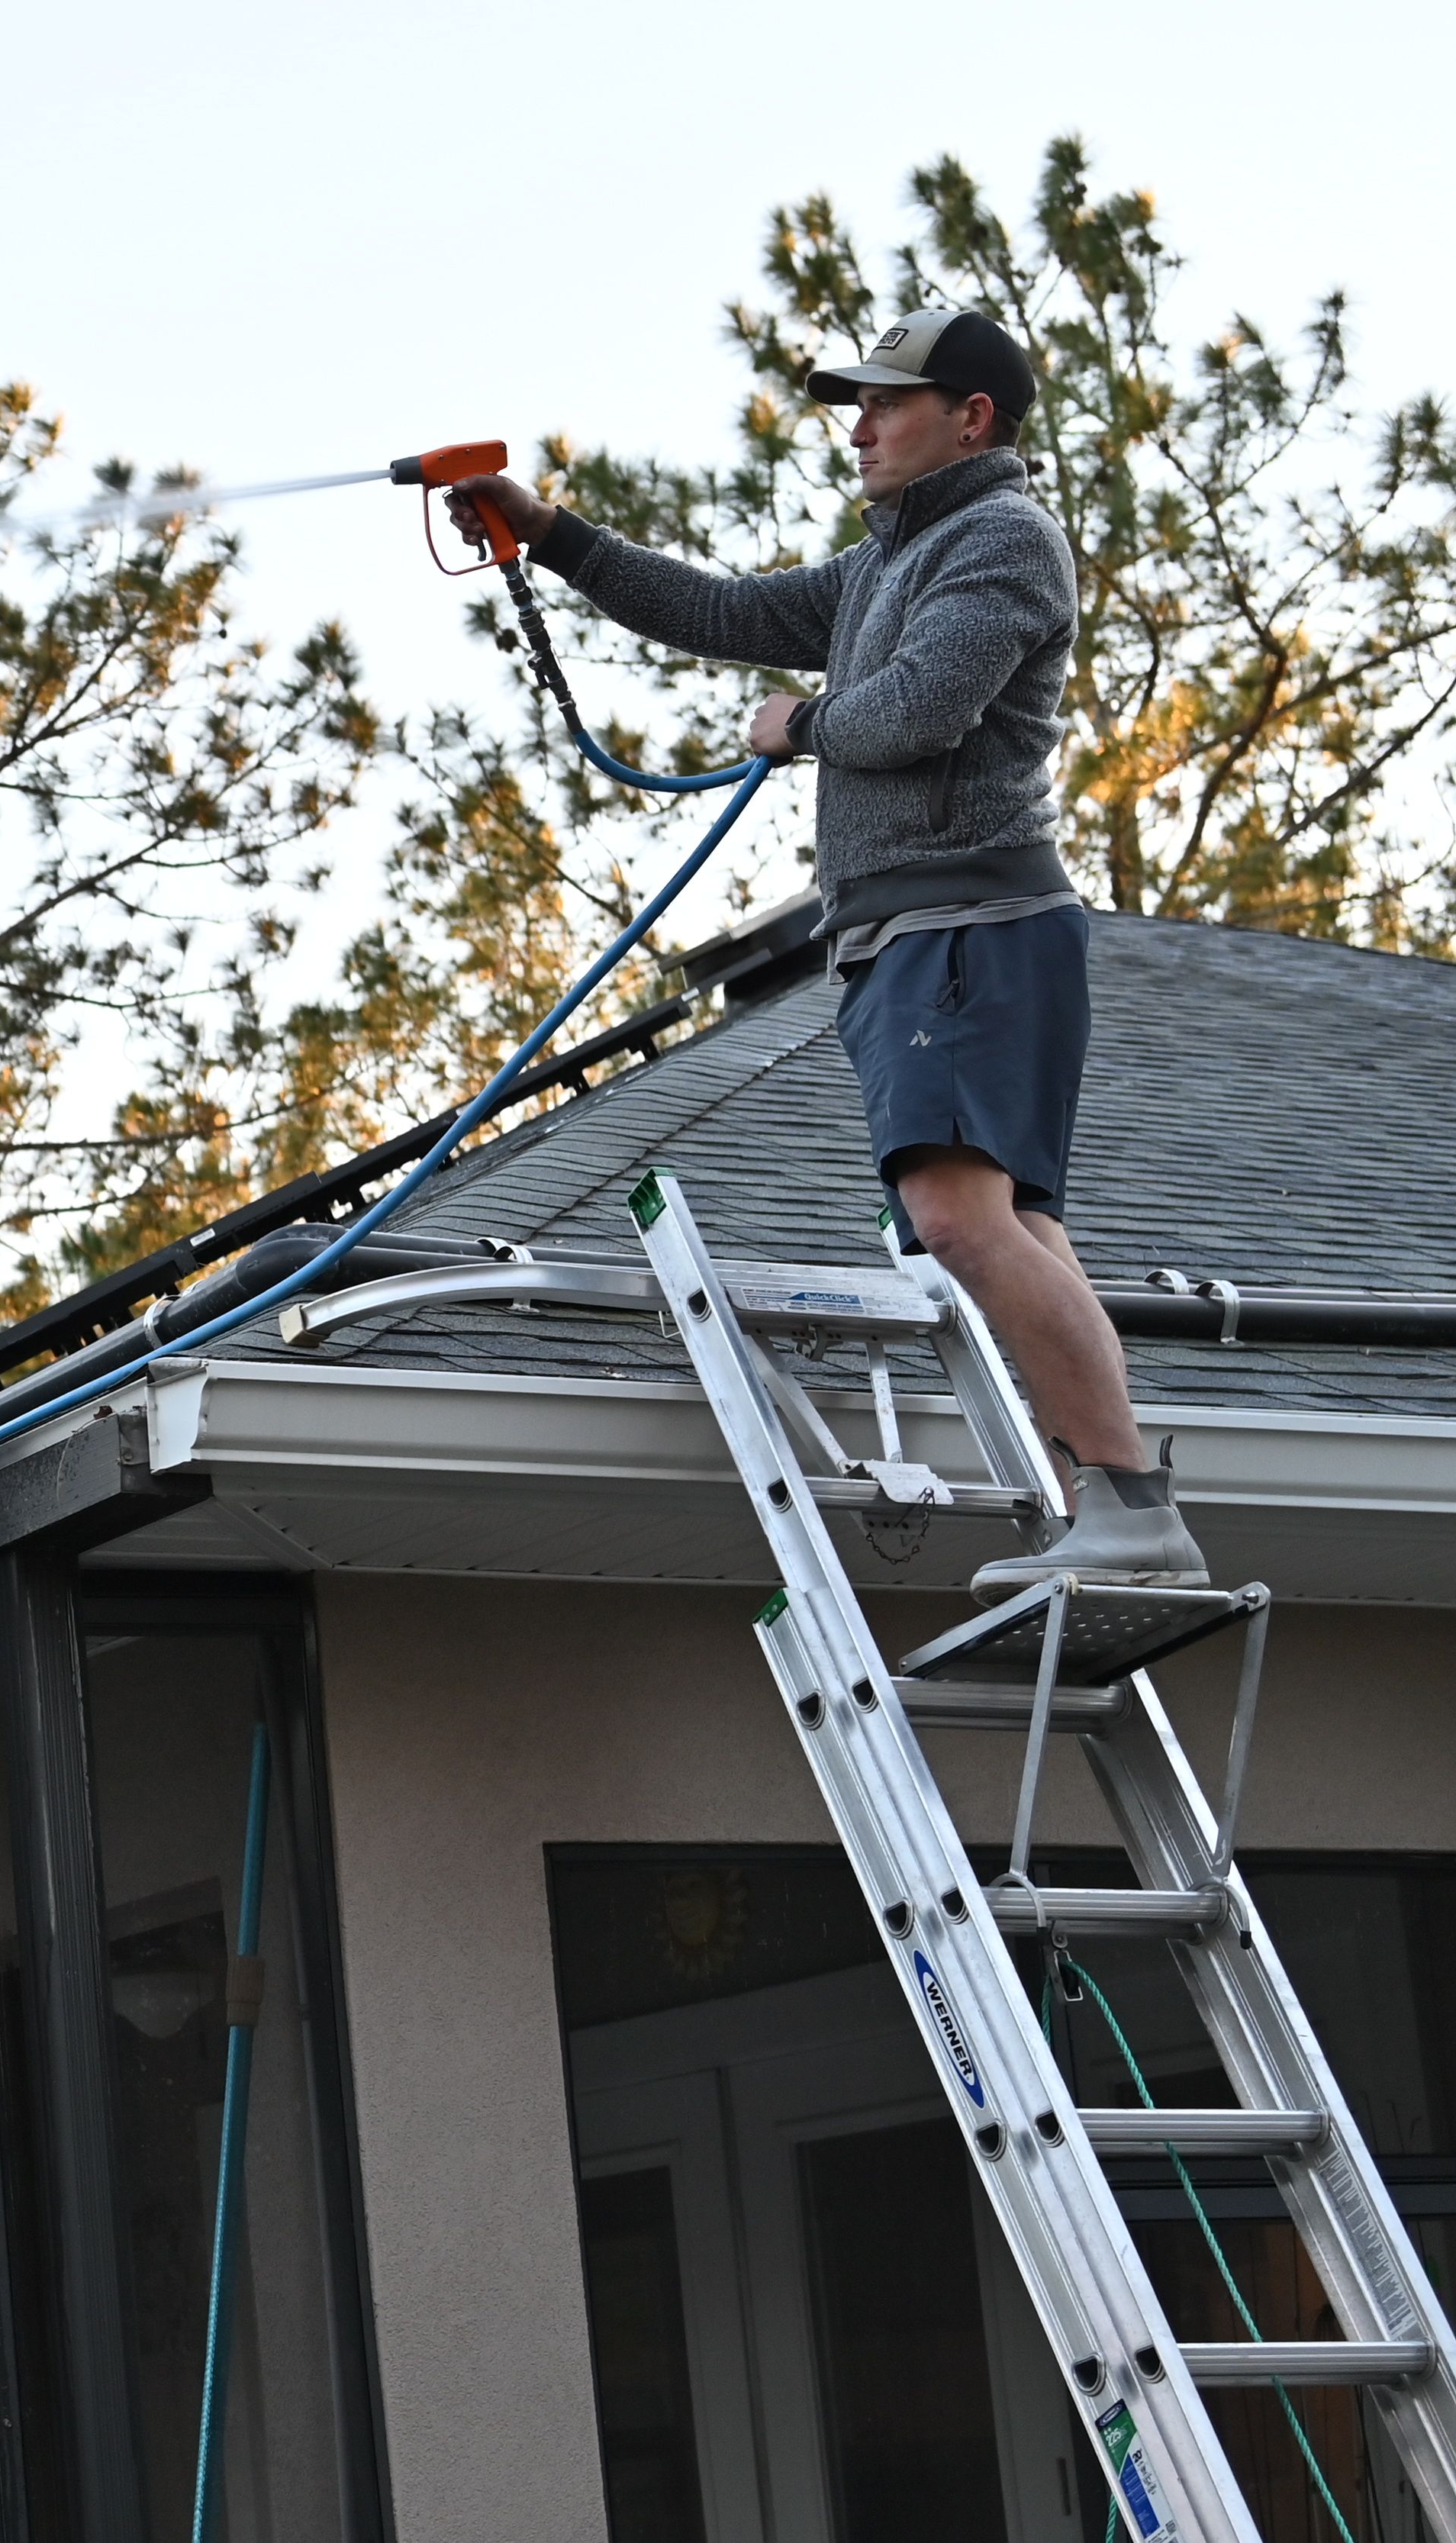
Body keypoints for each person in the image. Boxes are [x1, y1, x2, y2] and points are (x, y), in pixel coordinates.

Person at [446, 308, 1203, 1589]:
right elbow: (719, 608)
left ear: (972, 418)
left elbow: (919, 712)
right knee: (1008, 1223)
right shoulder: (883, 564)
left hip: (969, 924)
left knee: (954, 1220)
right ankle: (1114, 1516)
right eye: (854, 402)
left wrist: (796, 723)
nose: (858, 426)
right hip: (923, 935)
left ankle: (1134, 1508)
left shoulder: (1003, 541)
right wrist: (551, 533)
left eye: (887, 402)